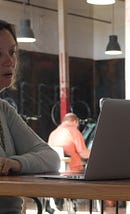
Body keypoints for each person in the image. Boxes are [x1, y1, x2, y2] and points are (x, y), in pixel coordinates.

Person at [0, 20, 60, 213]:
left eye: (12, 52)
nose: (9, 61)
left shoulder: (4, 110)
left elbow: (51, 158)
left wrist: (16, 163)